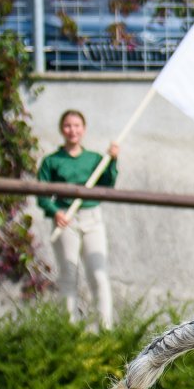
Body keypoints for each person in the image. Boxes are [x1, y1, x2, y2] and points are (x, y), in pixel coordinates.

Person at [36, 108, 118, 327]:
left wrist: (112, 161)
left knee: (98, 274)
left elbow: (107, 185)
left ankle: (105, 329)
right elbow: (42, 194)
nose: (72, 130)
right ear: (62, 130)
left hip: (92, 218)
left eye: (77, 126)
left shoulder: (94, 159)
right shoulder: (51, 161)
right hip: (66, 219)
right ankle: (68, 329)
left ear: (84, 129)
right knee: (68, 275)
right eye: (68, 126)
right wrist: (56, 212)